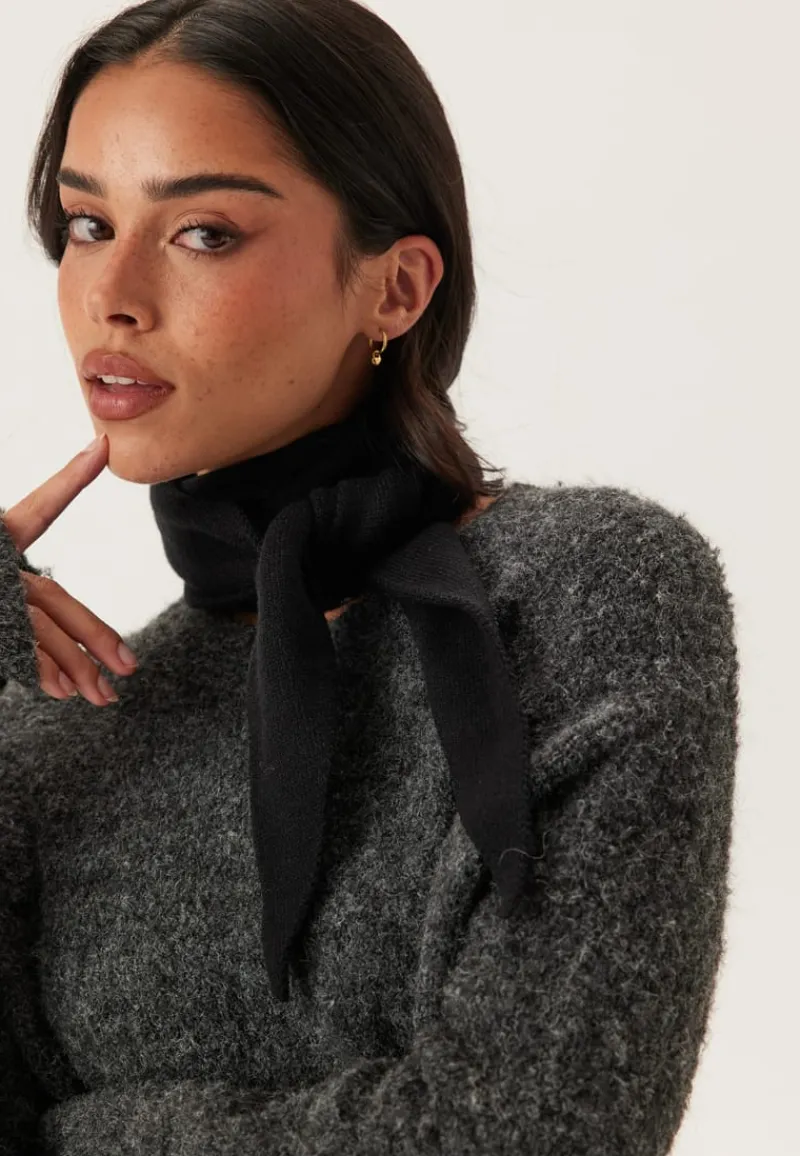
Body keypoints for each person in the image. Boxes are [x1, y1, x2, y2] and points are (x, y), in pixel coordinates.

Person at [0, 1, 740, 1153]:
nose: (113, 295)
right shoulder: (60, 730)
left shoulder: (584, 594)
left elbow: (534, 1132)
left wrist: (82, 1133)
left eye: (203, 233)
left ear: (394, 287)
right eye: (87, 223)